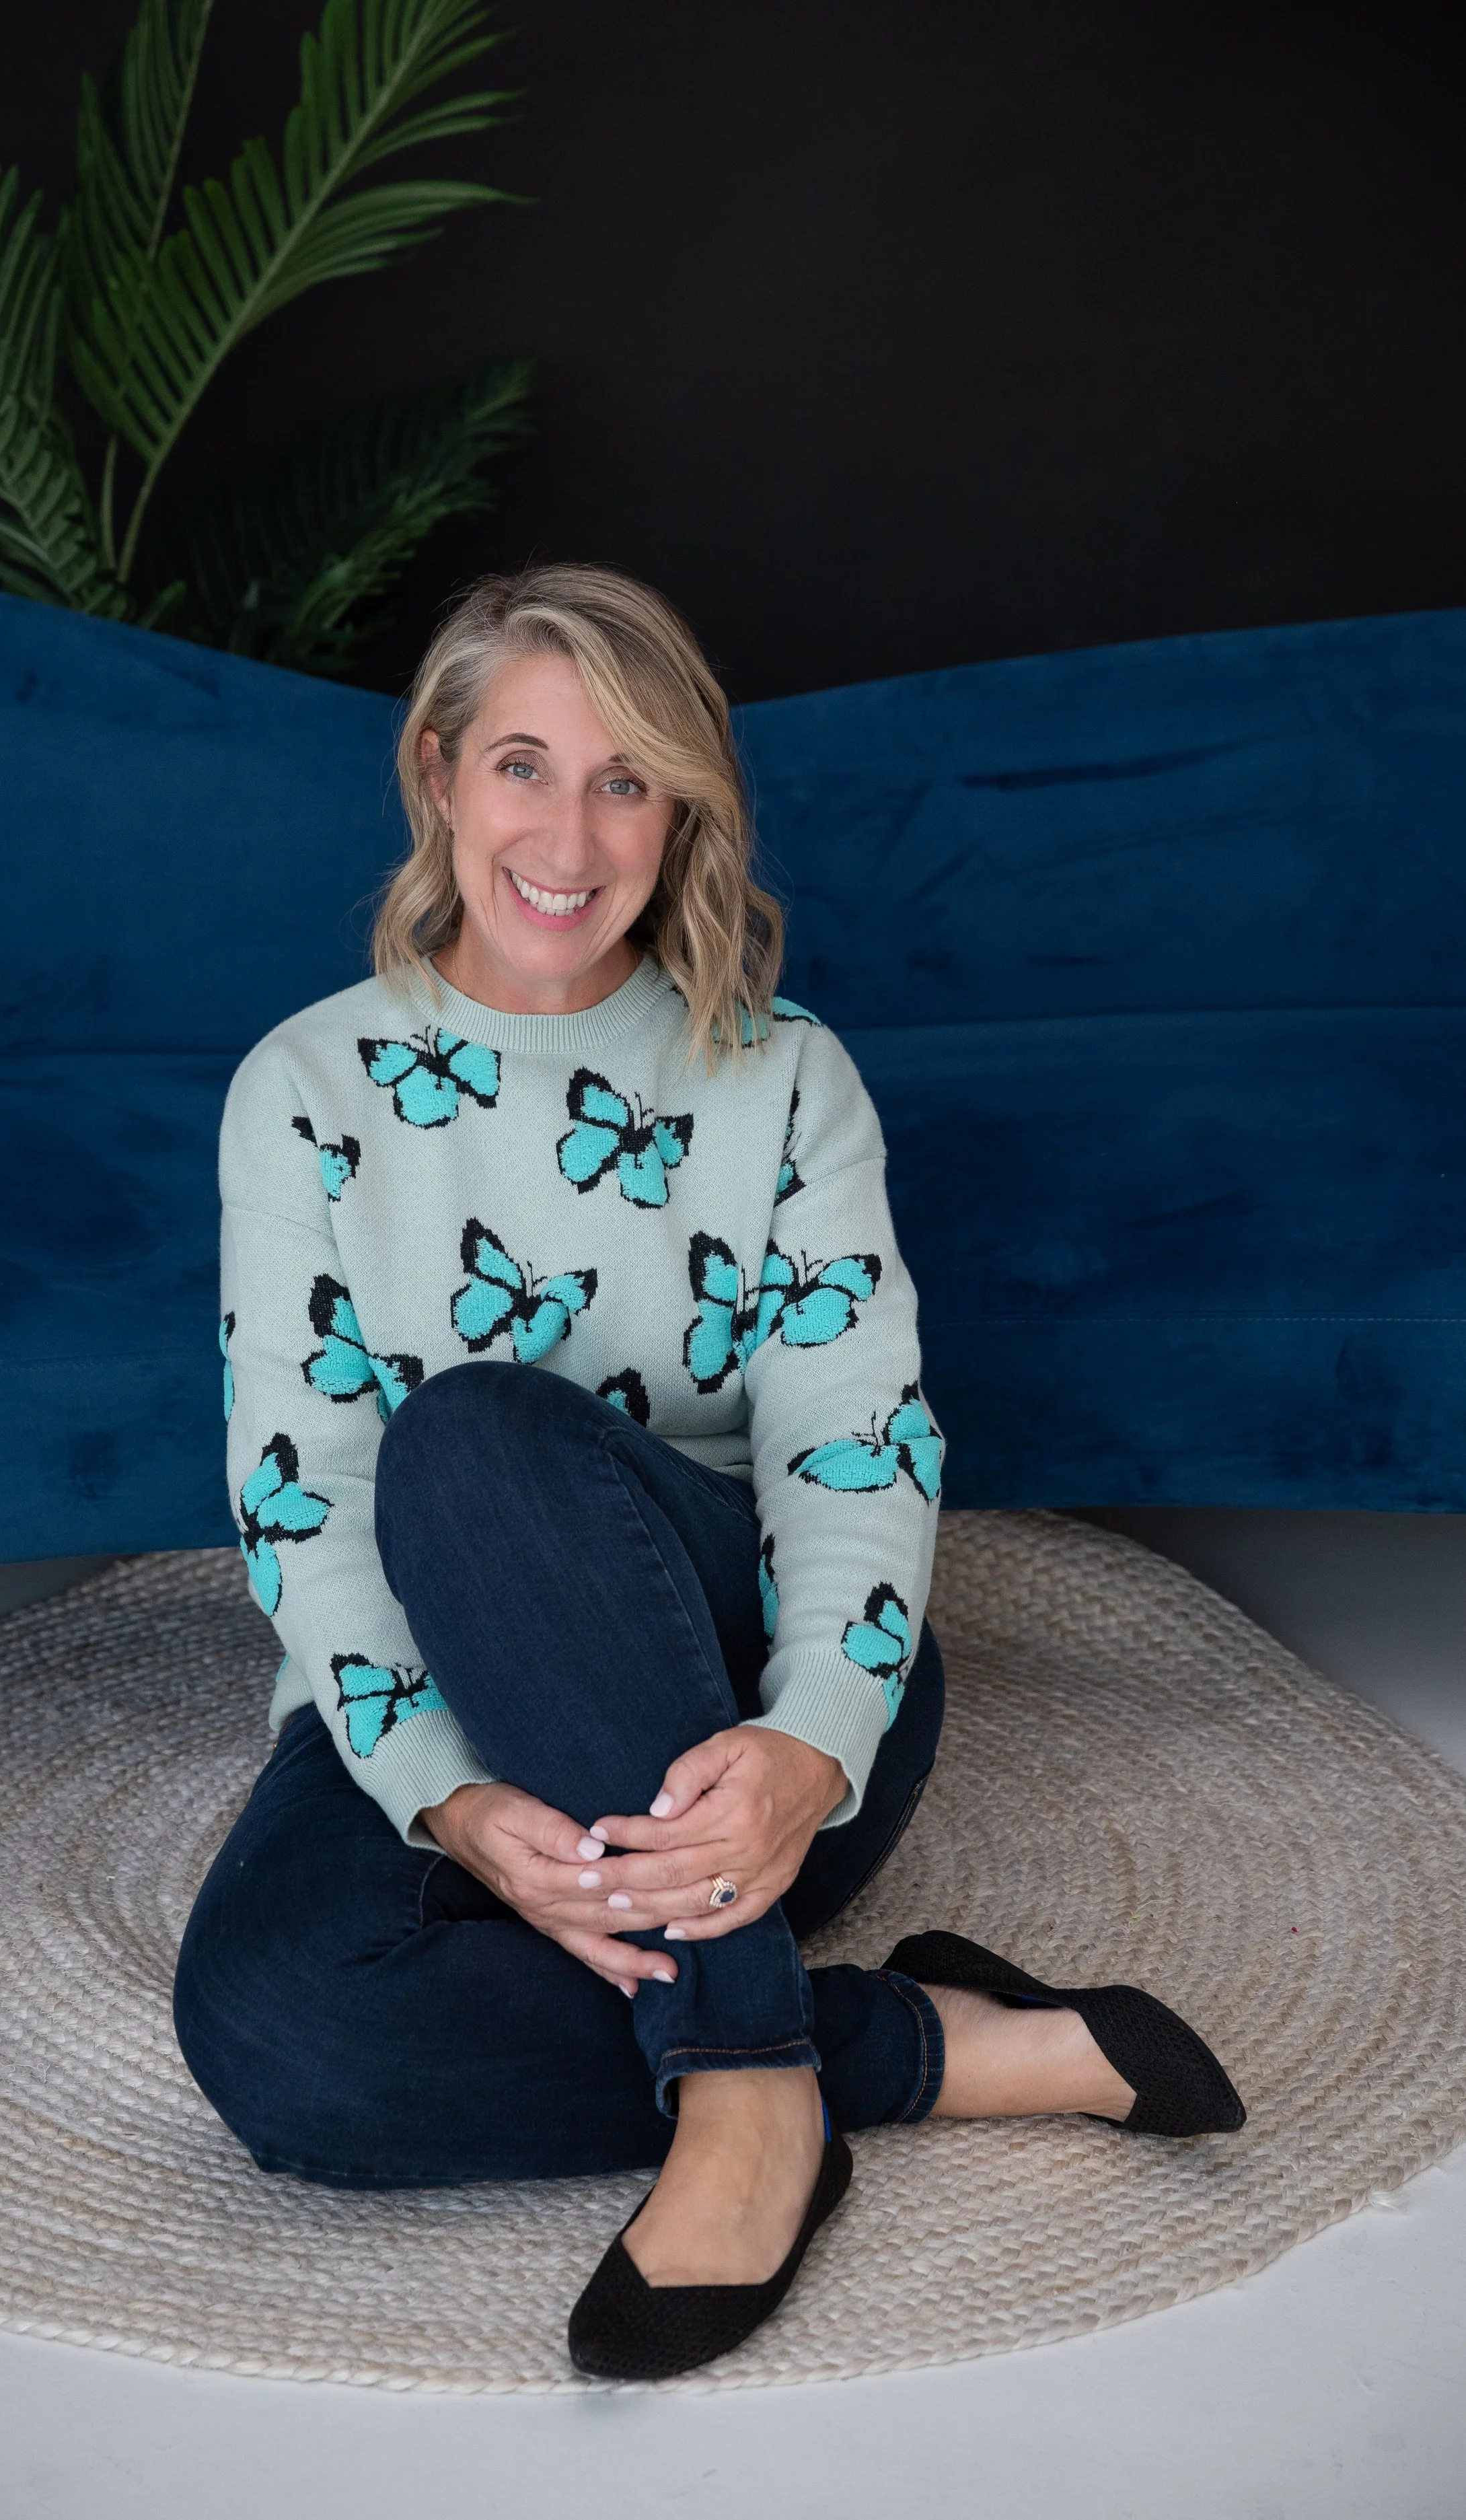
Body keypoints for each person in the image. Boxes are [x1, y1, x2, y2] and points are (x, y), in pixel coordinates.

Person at [174, 564, 1244, 2383]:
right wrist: (441, 1800)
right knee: (282, 2040)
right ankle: (928, 2049)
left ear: (684, 810)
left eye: (625, 780)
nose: (569, 838)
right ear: (438, 773)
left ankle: (746, 2091)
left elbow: (853, 1448)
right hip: (437, 1694)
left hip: (746, 1709)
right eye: (523, 764)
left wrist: (811, 1739)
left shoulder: (783, 1078)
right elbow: (299, 1496)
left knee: (477, 1434)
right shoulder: (305, 1090)